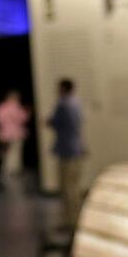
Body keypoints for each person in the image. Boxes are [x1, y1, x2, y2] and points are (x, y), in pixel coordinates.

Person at [47, 78, 86, 225]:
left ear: (63, 89)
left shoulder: (63, 104)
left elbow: (56, 122)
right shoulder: (76, 103)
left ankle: (72, 222)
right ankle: (76, 220)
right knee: (74, 186)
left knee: (68, 188)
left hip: (67, 150)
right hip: (75, 148)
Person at [0, 91, 30, 182]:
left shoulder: (1, 107)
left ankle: (6, 169)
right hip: (16, 133)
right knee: (16, 152)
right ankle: (14, 169)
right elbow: (23, 118)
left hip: (4, 133)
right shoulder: (17, 107)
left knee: (6, 152)